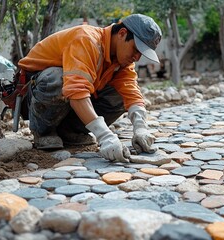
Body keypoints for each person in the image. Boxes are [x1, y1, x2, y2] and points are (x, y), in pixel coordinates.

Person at [18, 14, 162, 162]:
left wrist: (140, 127)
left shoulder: (121, 61)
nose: (137, 57)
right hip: (33, 96)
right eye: (136, 49)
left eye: (141, 54)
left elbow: (131, 91)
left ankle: (69, 132)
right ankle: (44, 132)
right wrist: (105, 136)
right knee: (57, 78)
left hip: (65, 101)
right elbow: (76, 92)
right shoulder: (86, 39)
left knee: (119, 95)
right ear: (122, 34)